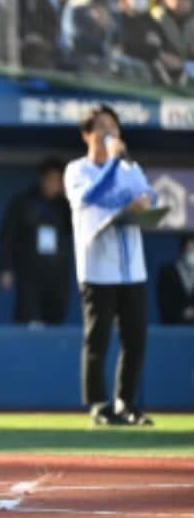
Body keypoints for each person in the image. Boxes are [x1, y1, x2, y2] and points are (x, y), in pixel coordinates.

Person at [63, 105, 157, 427]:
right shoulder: (77, 170)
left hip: (132, 267)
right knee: (98, 340)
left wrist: (147, 201)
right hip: (97, 268)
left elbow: (151, 196)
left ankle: (126, 403)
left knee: (135, 339)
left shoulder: (131, 168)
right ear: (86, 134)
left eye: (113, 127)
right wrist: (114, 162)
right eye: (102, 127)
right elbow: (88, 197)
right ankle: (98, 405)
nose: (109, 134)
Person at [0, 157, 73, 326]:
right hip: (30, 270)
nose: (56, 184)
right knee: (28, 316)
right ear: (43, 178)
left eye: (59, 180)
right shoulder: (23, 202)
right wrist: (5, 268)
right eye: (52, 179)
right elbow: (8, 236)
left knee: (56, 316)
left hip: (57, 271)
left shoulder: (65, 206)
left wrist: (69, 198)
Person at [157, 234, 194, 325]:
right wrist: (182, 313)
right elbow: (164, 301)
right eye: (190, 250)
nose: (192, 253)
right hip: (175, 325)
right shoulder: (168, 272)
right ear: (182, 250)